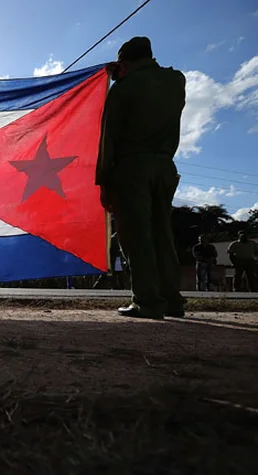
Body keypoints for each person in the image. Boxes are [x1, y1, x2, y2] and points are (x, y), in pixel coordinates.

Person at [96, 36, 187, 319]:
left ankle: (146, 301)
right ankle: (171, 299)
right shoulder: (176, 82)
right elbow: (163, 75)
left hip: (131, 169)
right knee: (162, 234)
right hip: (164, 168)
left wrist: (104, 182)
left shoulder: (123, 90)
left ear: (124, 63)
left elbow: (108, 140)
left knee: (137, 236)